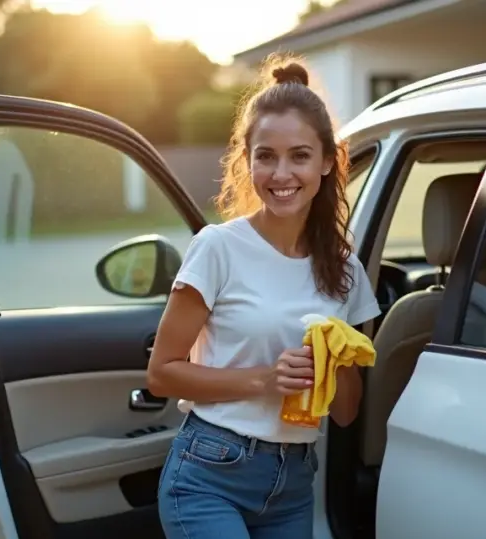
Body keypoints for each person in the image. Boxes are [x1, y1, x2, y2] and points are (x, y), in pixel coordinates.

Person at [146, 56, 382, 539]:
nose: (281, 173)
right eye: (266, 156)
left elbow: (346, 412)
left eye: (299, 155)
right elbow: (161, 373)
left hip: (293, 482)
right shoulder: (218, 247)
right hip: (209, 472)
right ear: (246, 161)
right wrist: (265, 379)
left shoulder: (345, 270)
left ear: (326, 162)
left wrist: (331, 369)